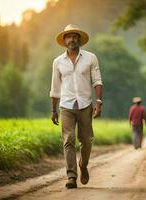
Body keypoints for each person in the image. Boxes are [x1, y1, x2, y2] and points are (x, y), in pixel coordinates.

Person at [50, 24, 103, 189]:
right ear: (64, 40)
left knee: (86, 140)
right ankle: (71, 176)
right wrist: (53, 110)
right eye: (68, 36)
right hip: (66, 106)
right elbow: (55, 87)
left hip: (85, 104)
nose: (71, 39)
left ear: (79, 39)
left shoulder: (90, 58)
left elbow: (97, 81)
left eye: (74, 36)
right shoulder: (58, 62)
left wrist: (98, 102)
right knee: (68, 140)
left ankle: (83, 165)